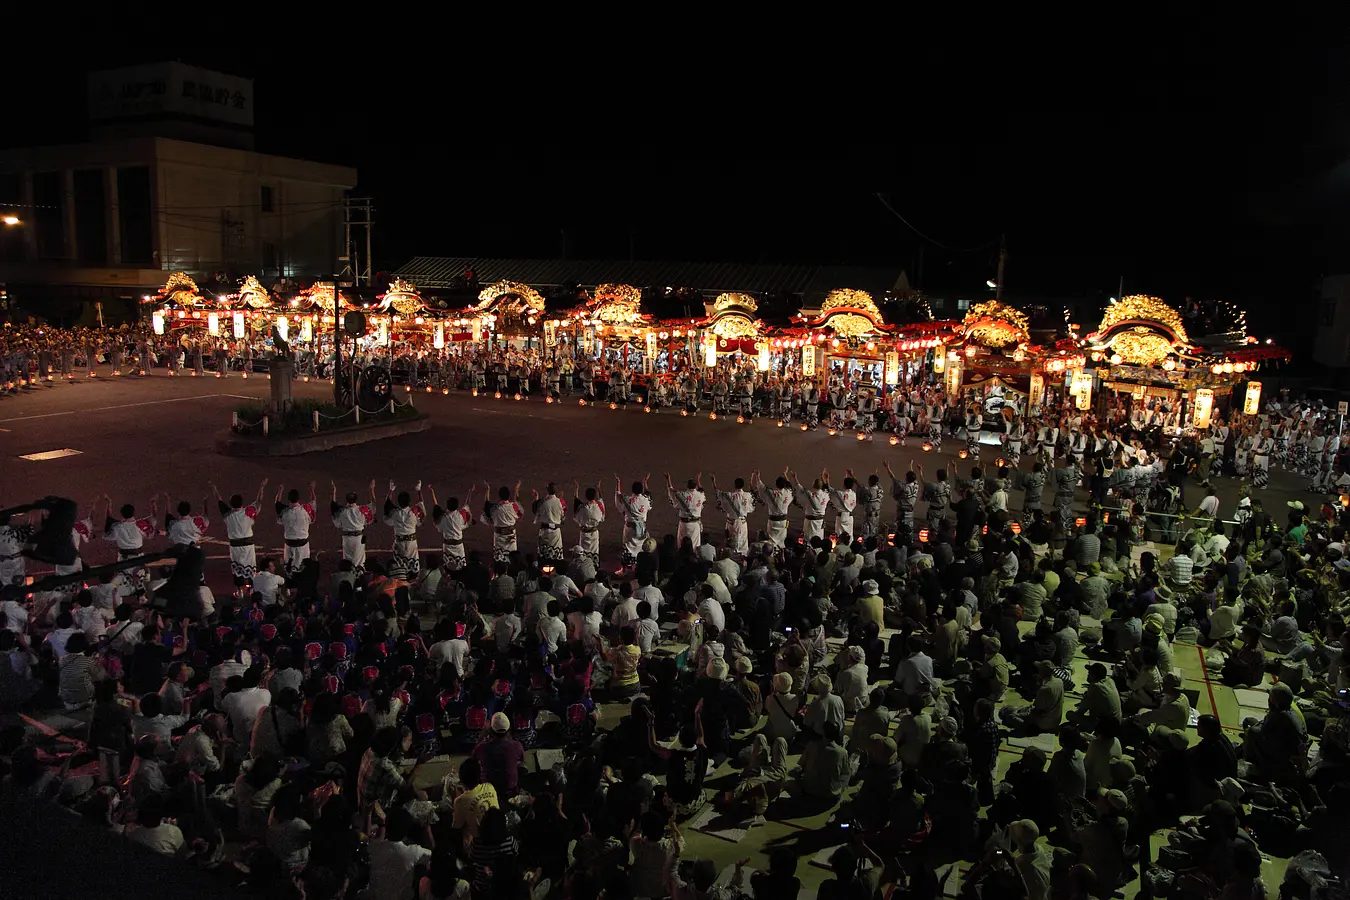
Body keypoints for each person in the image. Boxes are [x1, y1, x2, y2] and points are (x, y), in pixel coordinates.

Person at [332, 480, 377, 573]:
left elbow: (333, 508)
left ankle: (349, 578)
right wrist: (371, 490)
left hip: (346, 539)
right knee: (360, 562)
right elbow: (374, 505)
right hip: (358, 539)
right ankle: (359, 580)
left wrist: (334, 491)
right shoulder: (362, 510)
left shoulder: (342, 512)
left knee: (347, 562)